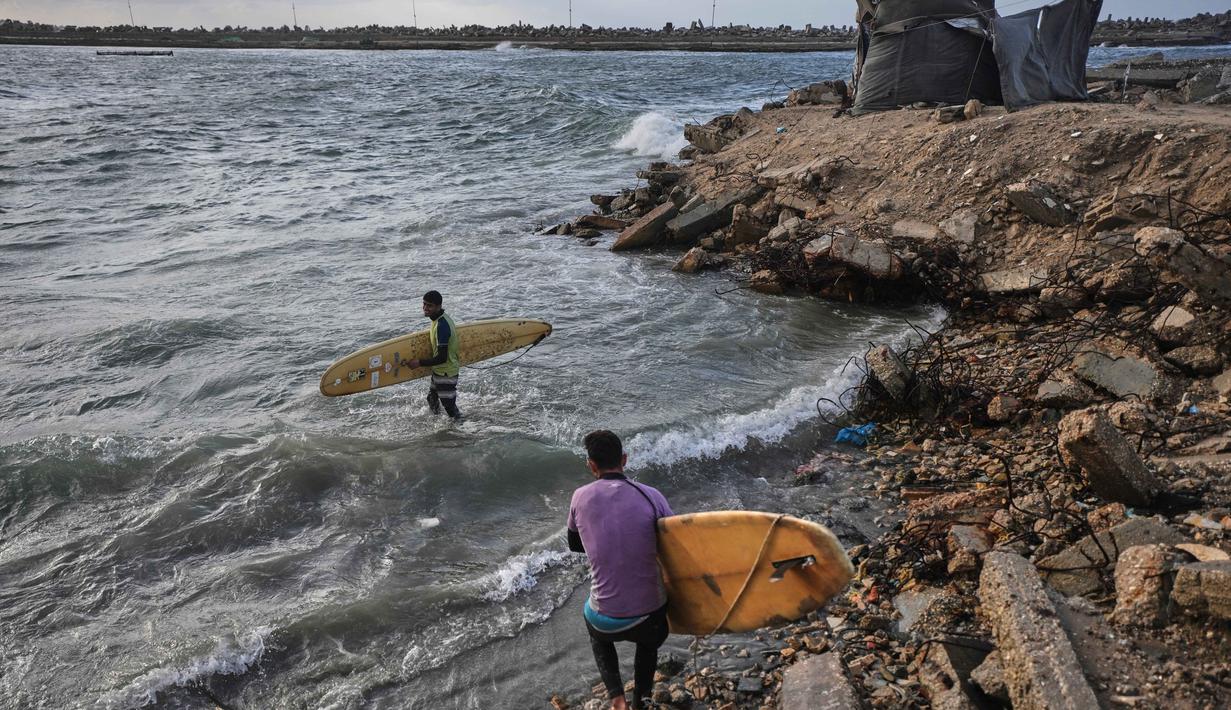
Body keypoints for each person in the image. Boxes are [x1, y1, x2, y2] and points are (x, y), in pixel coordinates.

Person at [567, 430, 673, 710]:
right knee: (649, 643)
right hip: (649, 620)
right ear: (624, 459)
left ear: (591, 465)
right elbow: (676, 545)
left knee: (593, 624)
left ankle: (617, 697)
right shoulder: (652, 496)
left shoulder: (579, 497)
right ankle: (642, 698)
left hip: (604, 622)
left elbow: (576, 545)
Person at [402, 290, 461, 418]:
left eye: (429, 305)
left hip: (446, 372)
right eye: (424, 304)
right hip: (440, 371)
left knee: (450, 409)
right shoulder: (440, 319)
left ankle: (463, 430)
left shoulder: (442, 325)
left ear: (438, 306)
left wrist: (419, 362)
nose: (425, 308)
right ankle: (438, 423)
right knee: (432, 399)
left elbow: (442, 357)